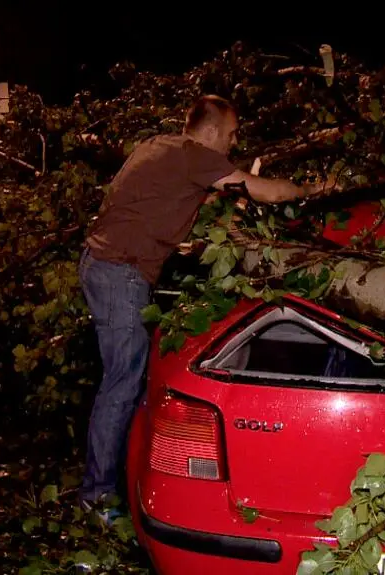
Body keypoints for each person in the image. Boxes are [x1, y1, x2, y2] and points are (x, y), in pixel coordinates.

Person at [77, 94, 333, 520]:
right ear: (211, 130)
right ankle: (97, 496)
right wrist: (312, 190)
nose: (233, 144)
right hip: (119, 270)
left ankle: (119, 479)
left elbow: (173, 203)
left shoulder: (161, 147)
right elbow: (268, 191)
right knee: (123, 381)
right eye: (231, 135)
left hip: (105, 264)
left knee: (128, 379)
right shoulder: (194, 155)